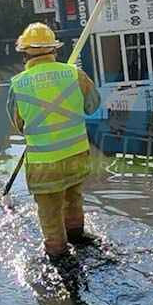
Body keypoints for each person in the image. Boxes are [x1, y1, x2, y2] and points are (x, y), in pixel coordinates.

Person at [7, 22, 101, 262]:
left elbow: (19, 125)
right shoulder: (74, 74)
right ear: (54, 50)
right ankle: (77, 237)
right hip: (76, 156)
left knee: (50, 216)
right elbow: (93, 106)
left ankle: (60, 261)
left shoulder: (18, 84)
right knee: (73, 200)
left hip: (44, 164)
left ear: (25, 53)